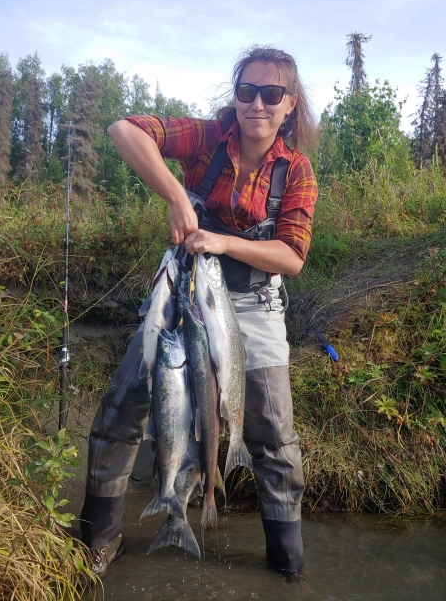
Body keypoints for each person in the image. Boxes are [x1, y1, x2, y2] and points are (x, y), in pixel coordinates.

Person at [80, 46, 318, 581]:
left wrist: (223, 244)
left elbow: (292, 257)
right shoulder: (208, 137)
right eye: (246, 91)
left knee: (273, 434)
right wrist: (176, 197)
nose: (256, 103)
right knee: (123, 406)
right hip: (184, 293)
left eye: (271, 94)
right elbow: (124, 129)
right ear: (235, 95)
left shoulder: (296, 170)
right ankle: (97, 539)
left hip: (253, 302)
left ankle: (287, 561)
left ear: (289, 105)